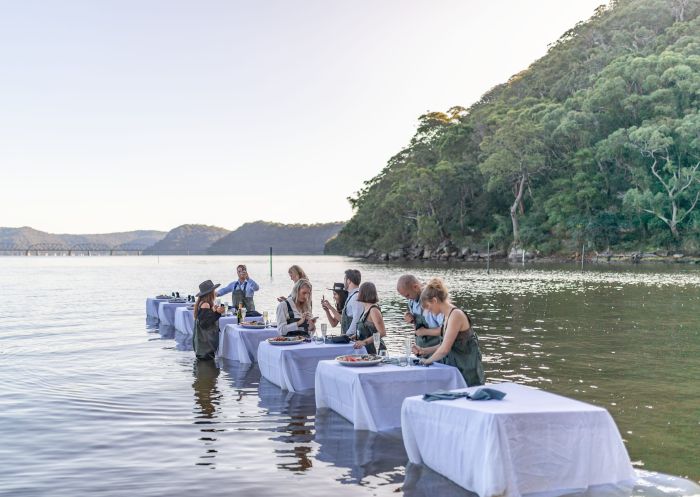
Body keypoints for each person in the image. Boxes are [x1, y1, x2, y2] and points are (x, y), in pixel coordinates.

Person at [412, 278, 485, 386]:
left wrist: (427, 361)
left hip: (468, 370)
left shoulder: (456, 315)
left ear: (435, 301)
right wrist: (424, 351)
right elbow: (444, 344)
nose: (427, 311)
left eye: (427, 306)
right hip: (457, 367)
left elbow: (444, 349)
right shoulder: (447, 316)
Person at [397, 274, 443, 358]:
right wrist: (407, 315)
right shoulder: (412, 301)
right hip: (421, 351)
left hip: (438, 352)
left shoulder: (433, 301)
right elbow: (413, 319)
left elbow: (446, 331)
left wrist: (424, 331)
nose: (407, 299)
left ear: (415, 287)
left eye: (407, 295)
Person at [193, 279, 226, 361]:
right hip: (205, 346)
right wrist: (218, 313)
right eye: (214, 290)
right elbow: (205, 324)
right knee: (208, 365)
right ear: (210, 293)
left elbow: (205, 319)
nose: (215, 292)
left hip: (202, 346)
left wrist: (213, 311)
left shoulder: (202, 303)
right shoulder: (205, 304)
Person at [351, 282, 387, 355]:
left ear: (363, 293)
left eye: (360, 291)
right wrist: (354, 337)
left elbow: (382, 333)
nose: (358, 293)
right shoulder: (365, 308)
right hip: (366, 351)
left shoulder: (373, 310)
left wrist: (364, 342)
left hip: (376, 351)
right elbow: (367, 330)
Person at [339, 269, 363, 336]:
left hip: (353, 339)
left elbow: (357, 318)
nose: (344, 282)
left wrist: (347, 335)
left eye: (344, 279)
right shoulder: (352, 296)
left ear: (348, 281)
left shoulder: (356, 297)